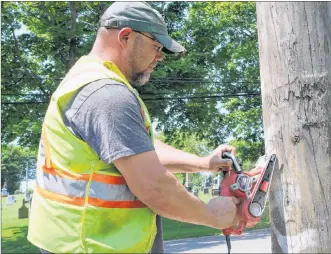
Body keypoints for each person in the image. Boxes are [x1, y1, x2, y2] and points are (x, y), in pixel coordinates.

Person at [27, 2, 240, 253]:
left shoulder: (87, 78)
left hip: (74, 242)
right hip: (94, 246)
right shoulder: (107, 94)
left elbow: (136, 147)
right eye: (156, 46)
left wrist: (202, 162)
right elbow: (154, 187)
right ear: (125, 36)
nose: (160, 56)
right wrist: (213, 215)